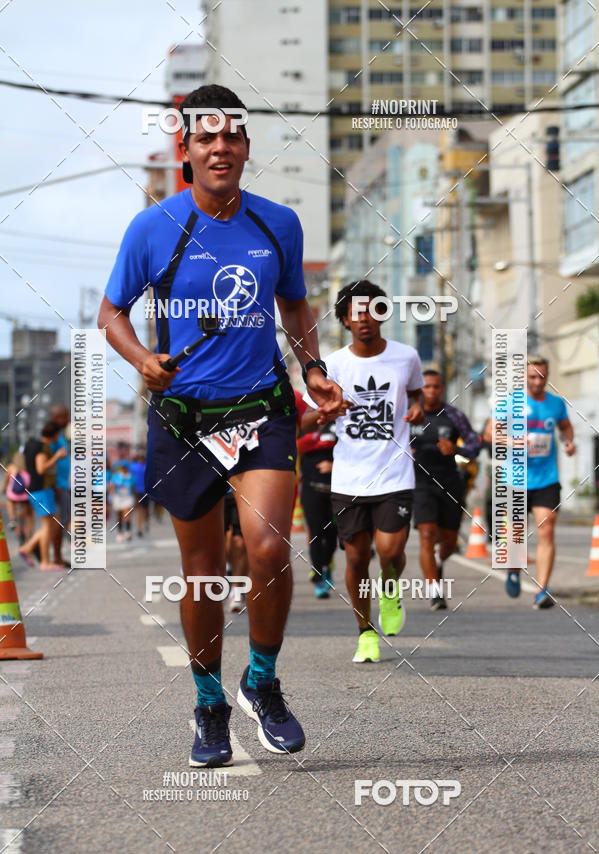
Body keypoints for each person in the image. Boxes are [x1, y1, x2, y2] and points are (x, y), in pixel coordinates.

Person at [98, 83, 343, 767]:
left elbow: (295, 306)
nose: (219, 148)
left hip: (260, 404)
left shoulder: (277, 225)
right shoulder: (154, 229)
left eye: (230, 136)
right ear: (186, 148)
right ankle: (208, 703)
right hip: (182, 418)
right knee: (203, 573)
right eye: (205, 138)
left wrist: (314, 366)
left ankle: (261, 682)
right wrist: (144, 359)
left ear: (244, 145)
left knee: (268, 550)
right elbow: (110, 313)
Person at [302, 280, 425, 663]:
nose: (365, 319)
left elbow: (417, 390)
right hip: (350, 476)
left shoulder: (407, 357)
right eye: (356, 312)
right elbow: (304, 418)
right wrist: (323, 413)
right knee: (356, 558)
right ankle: (365, 633)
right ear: (344, 320)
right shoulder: (333, 365)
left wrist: (418, 406)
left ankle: (390, 590)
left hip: (394, 472)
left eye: (373, 310)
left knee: (390, 551)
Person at [484, 355, 575, 609]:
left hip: (546, 478)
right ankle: (513, 569)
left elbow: (566, 427)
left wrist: (568, 442)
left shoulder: (556, 404)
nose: (537, 381)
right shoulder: (510, 402)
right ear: (525, 376)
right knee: (516, 537)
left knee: (547, 530)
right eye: (533, 376)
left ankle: (541, 590)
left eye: (542, 376)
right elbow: (490, 433)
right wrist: (511, 441)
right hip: (516, 478)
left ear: (548, 376)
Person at [411, 370, 481, 610]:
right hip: (420, 483)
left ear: (442, 389)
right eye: (426, 386)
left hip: (450, 482)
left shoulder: (453, 415)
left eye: (436, 387)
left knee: (449, 543)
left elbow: (474, 444)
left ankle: (439, 561)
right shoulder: (409, 414)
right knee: (427, 534)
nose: (431, 391)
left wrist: (456, 450)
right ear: (420, 389)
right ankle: (435, 592)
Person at [295, 391, 337, 599]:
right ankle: (319, 574)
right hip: (310, 488)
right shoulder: (303, 426)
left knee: (332, 535)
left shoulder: (340, 424)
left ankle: (327, 564)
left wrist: (334, 465)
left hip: (336, 489)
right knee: (315, 533)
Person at [19, 421, 67, 570]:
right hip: (41, 490)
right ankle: (45, 561)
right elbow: (41, 469)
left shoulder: (34, 445)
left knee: (54, 521)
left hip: (40, 490)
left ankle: (27, 548)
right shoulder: (41, 448)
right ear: (55, 434)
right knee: (48, 525)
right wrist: (57, 456)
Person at [49, 405, 71, 567]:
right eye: (64, 417)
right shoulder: (53, 436)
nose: (68, 419)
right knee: (58, 522)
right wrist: (54, 484)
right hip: (58, 486)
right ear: (56, 418)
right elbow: (48, 460)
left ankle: (57, 556)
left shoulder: (60, 435)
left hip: (63, 484)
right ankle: (56, 556)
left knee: (62, 521)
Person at [224, 487, 249, 613]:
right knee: (221, 541)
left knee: (240, 541)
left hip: (241, 490)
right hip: (215, 491)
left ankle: (236, 591)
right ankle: (228, 569)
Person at [2, 452, 33, 544]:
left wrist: (3, 489)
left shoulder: (11, 467)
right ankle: (30, 534)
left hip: (14, 496)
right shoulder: (28, 468)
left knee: (9, 499)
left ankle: (12, 519)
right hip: (25, 496)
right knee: (29, 514)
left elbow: (6, 482)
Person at [110, 460, 135, 542]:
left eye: (125, 467)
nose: (124, 469)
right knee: (119, 516)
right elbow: (112, 486)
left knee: (127, 514)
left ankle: (128, 532)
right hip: (118, 498)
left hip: (127, 498)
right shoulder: (116, 476)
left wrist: (135, 499)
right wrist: (112, 497)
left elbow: (134, 488)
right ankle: (120, 533)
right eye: (122, 467)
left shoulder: (130, 476)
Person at [130, 451, 150, 538]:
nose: (141, 459)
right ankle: (139, 528)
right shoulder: (133, 467)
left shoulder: (147, 466)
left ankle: (146, 523)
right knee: (140, 510)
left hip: (147, 491)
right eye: (140, 458)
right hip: (137, 491)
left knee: (146, 510)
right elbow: (130, 478)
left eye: (143, 458)